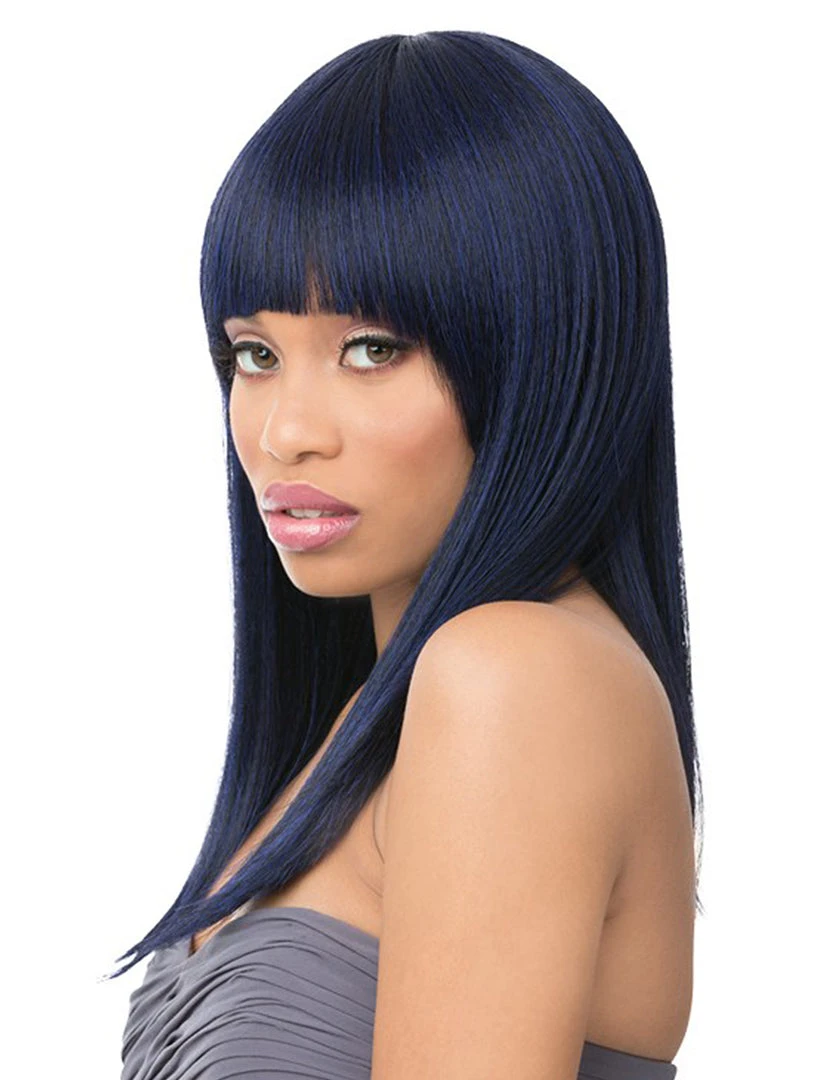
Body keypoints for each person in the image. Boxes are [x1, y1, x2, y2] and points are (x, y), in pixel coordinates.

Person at [114, 29, 701, 1080]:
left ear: (540, 352)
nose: (285, 432)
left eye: (371, 348)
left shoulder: (516, 675)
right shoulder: (381, 716)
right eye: (255, 353)